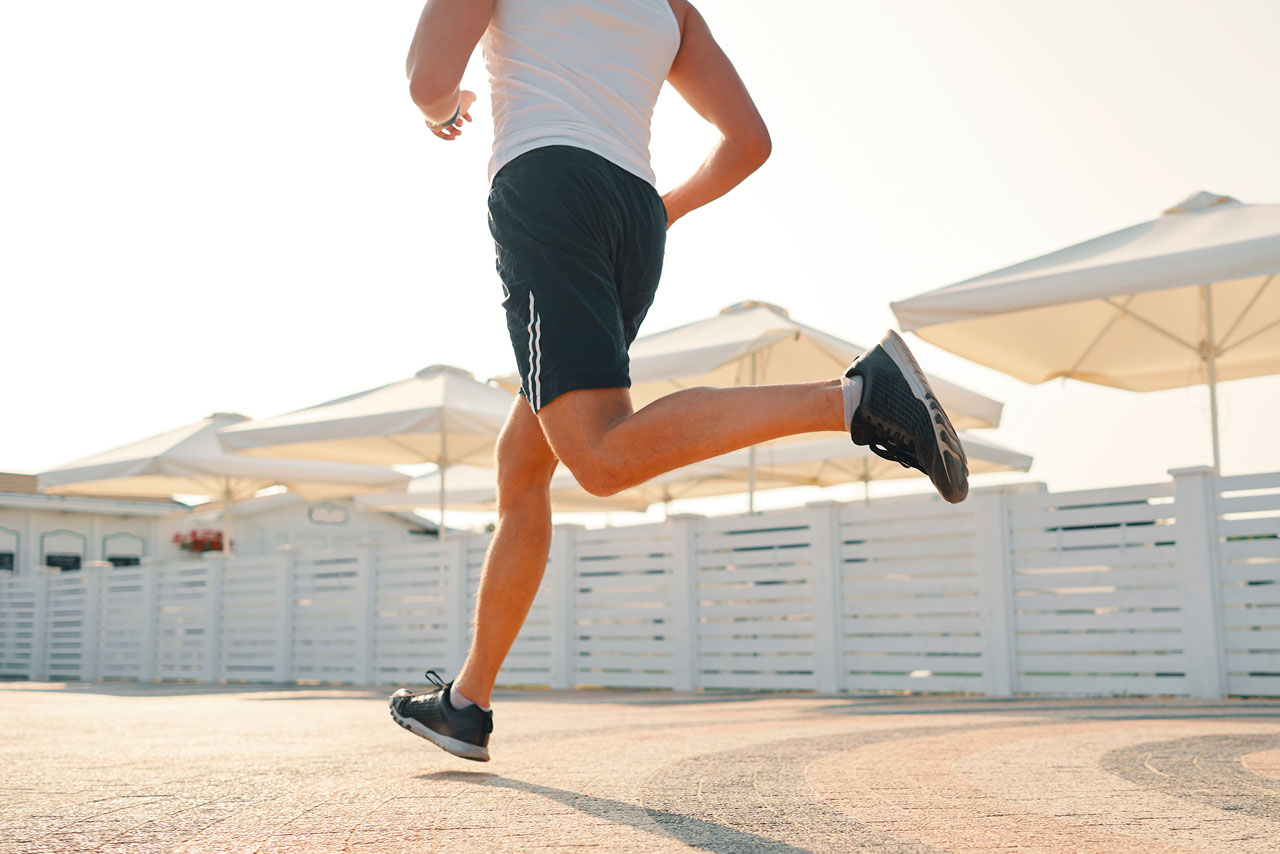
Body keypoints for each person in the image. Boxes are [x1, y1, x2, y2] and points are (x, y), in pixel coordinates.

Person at [389, 0, 969, 762]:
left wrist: (446, 111)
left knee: (599, 456)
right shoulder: (670, 7)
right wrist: (662, 211)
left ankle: (856, 398)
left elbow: (428, 81)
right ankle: (467, 704)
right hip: (633, 215)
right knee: (523, 463)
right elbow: (748, 142)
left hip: (548, 186)